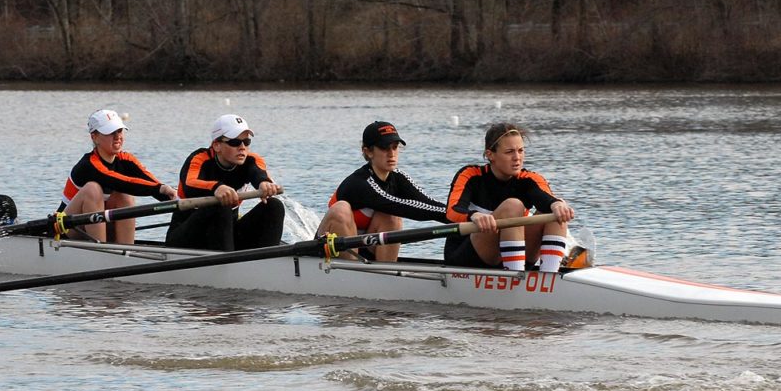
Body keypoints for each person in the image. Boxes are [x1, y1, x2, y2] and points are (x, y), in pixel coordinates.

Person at [444, 122, 575, 272]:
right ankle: (515, 277)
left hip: (513, 254)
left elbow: (545, 198)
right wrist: (474, 216)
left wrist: (557, 205)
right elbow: (452, 211)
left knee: (556, 210)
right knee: (513, 206)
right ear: (490, 155)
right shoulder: (470, 175)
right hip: (467, 256)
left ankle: (550, 276)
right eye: (509, 152)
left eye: (520, 151)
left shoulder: (530, 178)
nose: (517, 158)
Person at [316, 120, 449, 262]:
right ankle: (352, 273)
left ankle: (387, 273)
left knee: (391, 218)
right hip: (330, 254)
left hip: (365, 249)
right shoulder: (360, 182)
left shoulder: (398, 177)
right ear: (368, 152)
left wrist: (464, 215)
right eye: (384, 148)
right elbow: (401, 206)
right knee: (341, 209)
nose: (391, 154)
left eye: (395, 147)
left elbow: (427, 203)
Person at [165, 114, 284, 251]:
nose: (242, 147)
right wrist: (216, 188)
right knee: (220, 204)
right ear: (217, 145)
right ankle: (228, 265)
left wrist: (264, 183)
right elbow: (189, 183)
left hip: (225, 235)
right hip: (187, 238)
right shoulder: (199, 159)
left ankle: (268, 261)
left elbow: (258, 173)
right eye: (234, 142)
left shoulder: (251, 160)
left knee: (274, 206)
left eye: (246, 142)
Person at [59, 109, 177, 243]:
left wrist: (172, 195)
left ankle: (126, 251)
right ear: (94, 137)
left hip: (96, 225)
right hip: (68, 229)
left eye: (119, 131)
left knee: (124, 196)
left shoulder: (125, 159)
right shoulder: (89, 165)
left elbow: (151, 183)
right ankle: (101, 253)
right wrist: (160, 189)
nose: (117, 137)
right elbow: (122, 182)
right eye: (110, 132)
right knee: (93, 189)